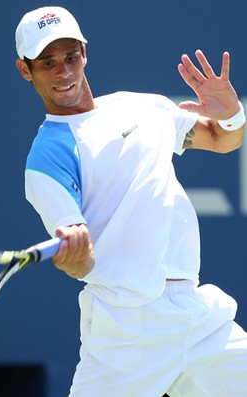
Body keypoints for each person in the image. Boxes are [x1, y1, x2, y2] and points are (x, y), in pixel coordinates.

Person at [15, 6, 247, 397]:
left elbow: (225, 140)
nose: (64, 72)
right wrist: (75, 258)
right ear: (26, 70)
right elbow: (81, 256)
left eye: (71, 57)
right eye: (47, 63)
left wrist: (232, 115)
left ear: (85, 53)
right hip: (126, 331)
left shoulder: (144, 106)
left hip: (199, 315)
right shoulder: (46, 159)